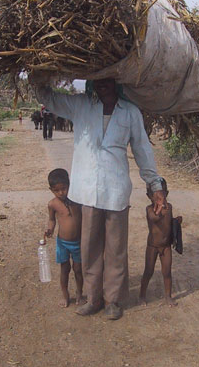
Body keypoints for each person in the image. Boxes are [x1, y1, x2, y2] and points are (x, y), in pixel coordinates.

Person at [31, 75, 166, 320]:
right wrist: (36, 77)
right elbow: (51, 100)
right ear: (92, 82)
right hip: (86, 192)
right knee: (90, 248)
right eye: (97, 80)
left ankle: (113, 300)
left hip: (115, 191)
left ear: (118, 83)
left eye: (108, 80)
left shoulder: (130, 113)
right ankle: (93, 298)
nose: (102, 84)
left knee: (115, 249)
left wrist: (155, 185)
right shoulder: (81, 105)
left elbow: (142, 149)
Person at [139, 178, 182, 307]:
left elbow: (168, 223)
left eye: (162, 193)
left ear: (166, 193)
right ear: (149, 196)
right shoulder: (149, 209)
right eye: (155, 195)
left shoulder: (169, 208)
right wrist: (159, 210)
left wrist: (176, 221)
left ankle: (168, 297)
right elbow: (155, 218)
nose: (159, 198)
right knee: (148, 271)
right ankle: (142, 296)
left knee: (167, 272)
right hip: (152, 246)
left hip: (166, 246)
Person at [44, 168, 84, 308]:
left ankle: (79, 293)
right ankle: (65, 295)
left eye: (64, 188)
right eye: (57, 190)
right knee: (64, 269)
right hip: (63, 243)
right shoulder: (52, 204)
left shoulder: (77, 200)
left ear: (69, 185)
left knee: (78, 269)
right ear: (51, 190)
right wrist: (50, 229)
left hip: (78, 242)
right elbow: (52, 220)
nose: (61, 193)